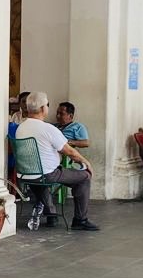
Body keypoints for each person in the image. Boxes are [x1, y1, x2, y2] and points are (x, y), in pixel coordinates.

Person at [13, 92, 99, 230]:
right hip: (47, 174)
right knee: (84, 177)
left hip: (25, 174)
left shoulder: (21, 128)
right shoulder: (48, 129)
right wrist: (86, 162)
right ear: (43, 109)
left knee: (41, 179)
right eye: (47, 105)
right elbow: (69, 151)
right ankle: (80, 220)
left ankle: (51, 214)